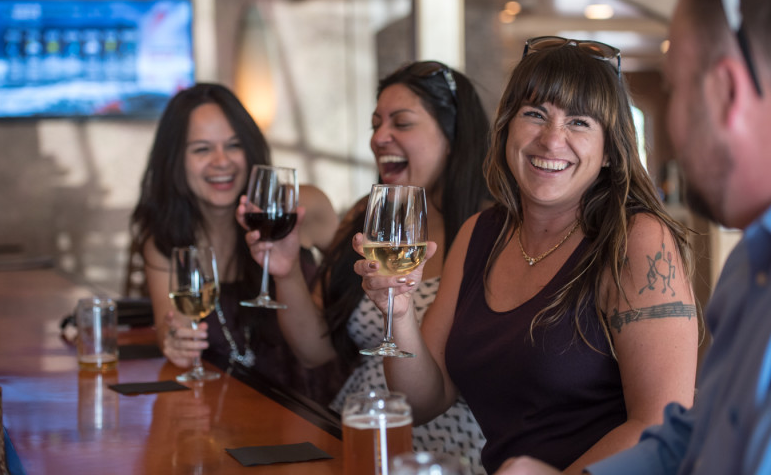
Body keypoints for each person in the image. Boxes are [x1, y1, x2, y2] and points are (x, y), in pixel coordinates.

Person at [354, 37, 701, 475]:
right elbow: (422, 402)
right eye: (535, 115)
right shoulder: (479, 234)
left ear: (611, 151)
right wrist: (397, 312)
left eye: (579, 122)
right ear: (506, 130)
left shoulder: (637, 240)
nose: (552, 139)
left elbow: (659, 425)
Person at [493, 0, 771, 474]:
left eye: (675, 88)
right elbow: (688, 436)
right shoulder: (749, 267)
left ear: (725, 93)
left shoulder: (653, 242)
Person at [238, 61, 492, 473]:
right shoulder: (369, 218)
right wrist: (284, 271)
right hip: (355, 427)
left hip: (446, 445)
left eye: (401, 123)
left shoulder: (490, 229)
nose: (378, 137)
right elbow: (315, 350)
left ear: (454, 136)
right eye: (375, 124)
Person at [130, 82, 339, 395]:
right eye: (202, 149)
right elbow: (170, 328)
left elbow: (358, 294)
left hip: (316, 406)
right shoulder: (166, 241)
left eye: (234, 145)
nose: (222, 161)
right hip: (227, 413)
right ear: (174, 160)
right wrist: (174, 342)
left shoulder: (300, 208)